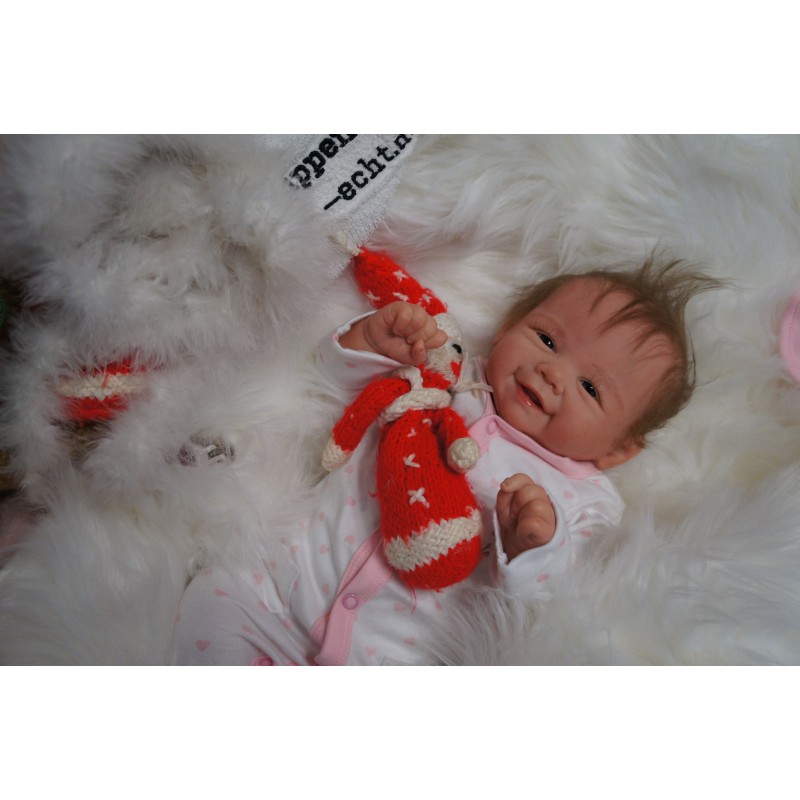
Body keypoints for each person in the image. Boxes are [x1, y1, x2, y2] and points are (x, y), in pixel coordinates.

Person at [172, 252, 717, 665]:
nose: (552, 372)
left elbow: (555, 607)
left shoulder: (583, 503)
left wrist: (536, 547)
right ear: (508, 328)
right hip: (274, 590)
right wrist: (367, 341)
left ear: (619, 449)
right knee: (209, 606)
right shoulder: (445, 371)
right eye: (548, 340)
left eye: (591, 388)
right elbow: (336, 388)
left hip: (390, 658)